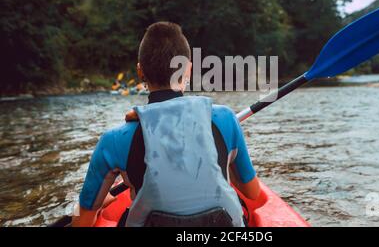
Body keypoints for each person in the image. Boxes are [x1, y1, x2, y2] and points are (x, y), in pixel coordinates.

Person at [72, 22, 260, 227]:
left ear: (140, 72)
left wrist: (89, 208)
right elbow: (252, 192)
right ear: (187, 69)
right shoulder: (225, 119)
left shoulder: (114, 140)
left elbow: (82, 223)